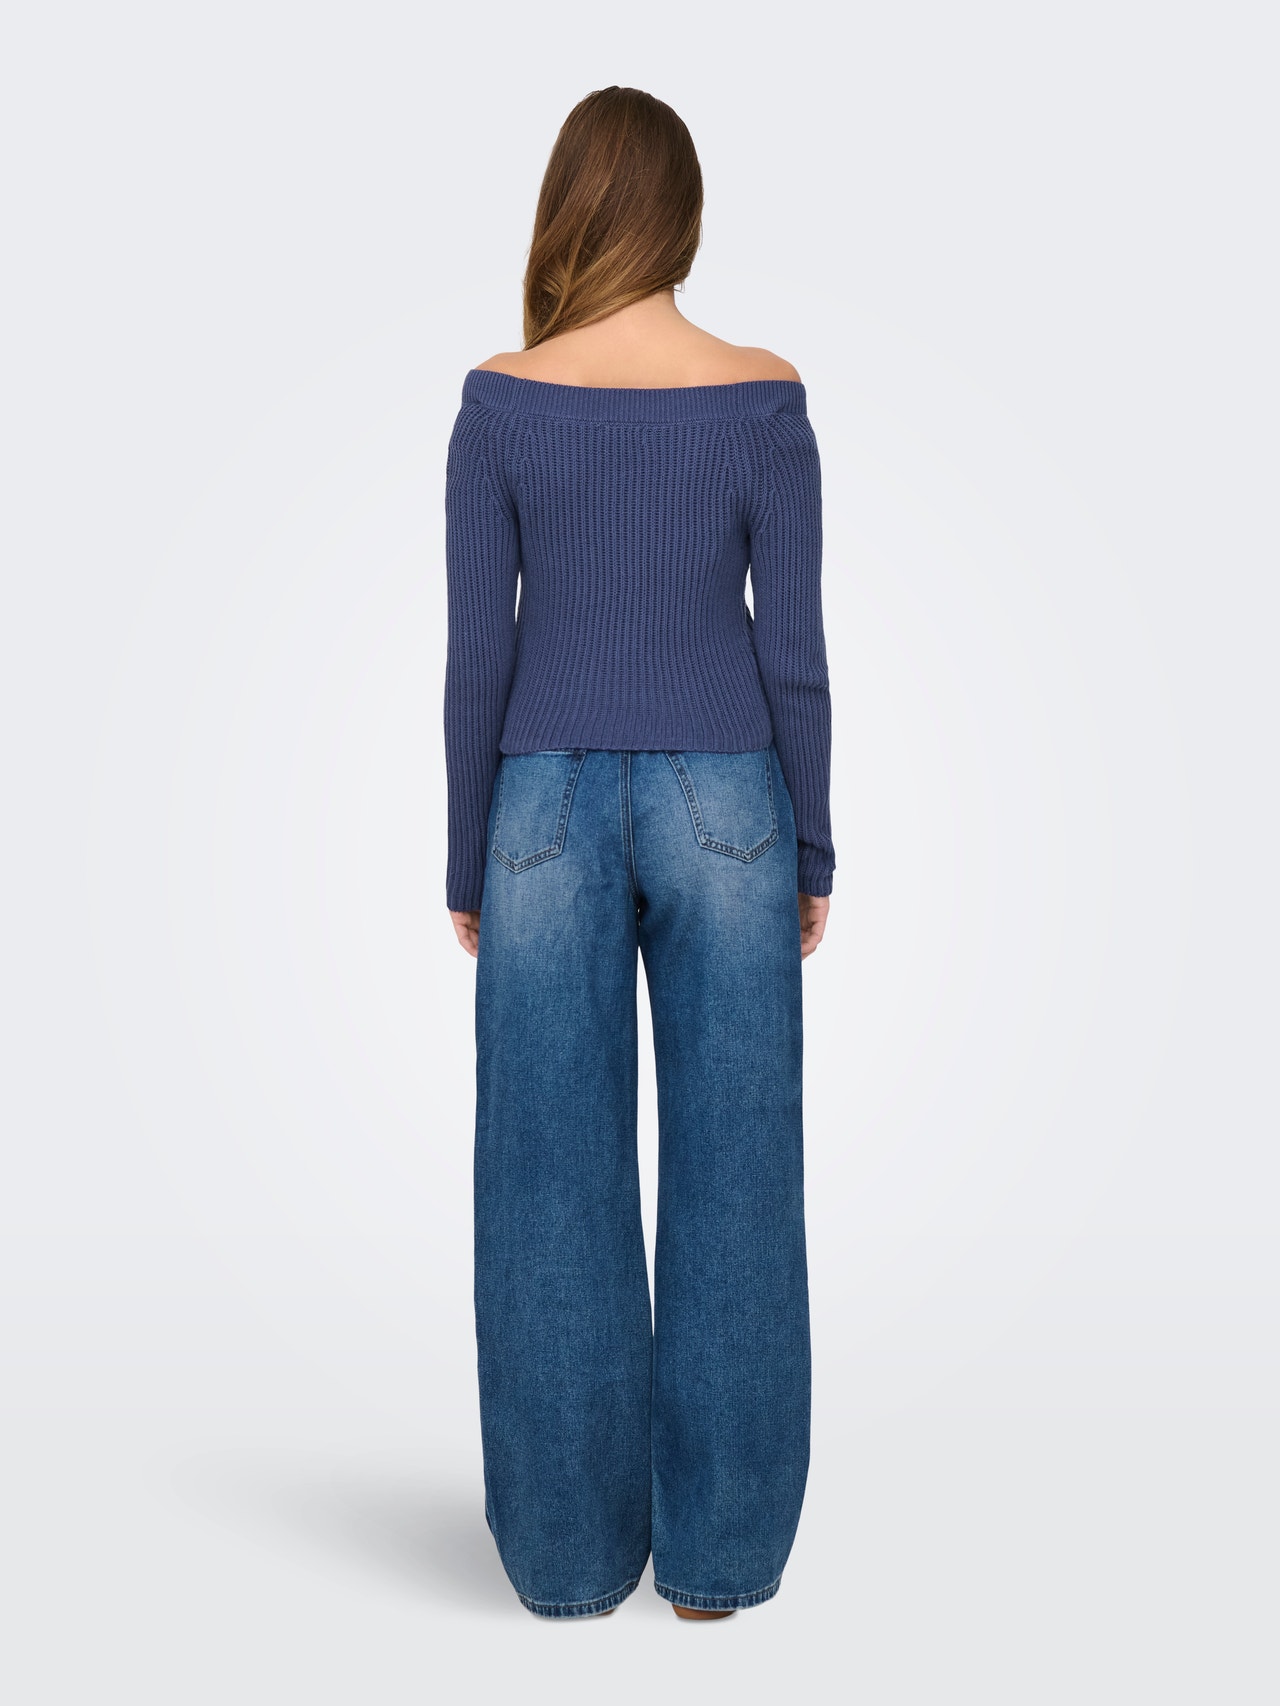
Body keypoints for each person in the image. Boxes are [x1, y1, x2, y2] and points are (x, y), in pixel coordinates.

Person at [442, 86, 835, 1622]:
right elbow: (792, 652)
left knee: (546, 1177)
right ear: (684, 217)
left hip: (538, 804)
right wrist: (812, 841)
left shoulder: (499, 401)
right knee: (741, 1176)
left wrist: (464, 859)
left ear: (567, 210)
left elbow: (480, 654)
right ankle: (717, 1564)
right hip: (728, 797)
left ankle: (565, 1559)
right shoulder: (764, 396)